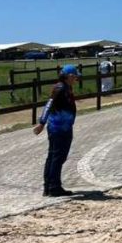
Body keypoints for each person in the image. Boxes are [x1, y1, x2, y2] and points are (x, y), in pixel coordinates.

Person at [34, 64, 81, 196]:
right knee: (57, 157)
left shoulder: (66, 88)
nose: (76, 79)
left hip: (63, 127)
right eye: (75, 77)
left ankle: (49, 186)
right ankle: (53, 187)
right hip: (59, 128)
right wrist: (42, 123)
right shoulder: (60, 89)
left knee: (55, 157)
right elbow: (49, 104)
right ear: (69, 76)